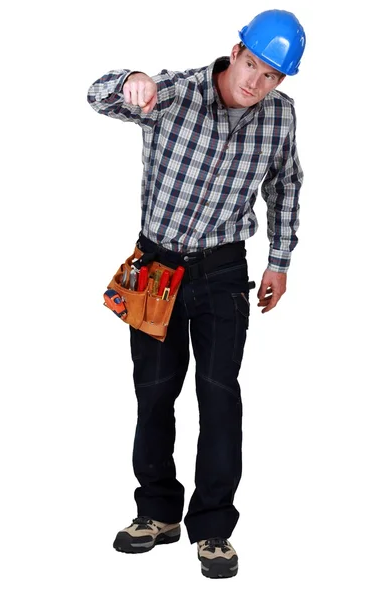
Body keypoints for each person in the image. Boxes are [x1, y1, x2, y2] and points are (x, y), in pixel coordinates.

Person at [87, 9, 306, 579]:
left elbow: (285, 188)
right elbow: (98, 96)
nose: (256, 83)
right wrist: (129, 81)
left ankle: (212, 529)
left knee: (220, 399)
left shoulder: (280, 117)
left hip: (224, 273)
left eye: (272, 76)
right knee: (155, 392)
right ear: (236, 51)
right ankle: (157, 513)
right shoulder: (174, 93)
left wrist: (279, 262)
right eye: (253, 65)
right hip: (156, 266)